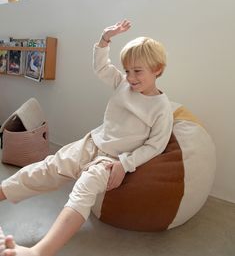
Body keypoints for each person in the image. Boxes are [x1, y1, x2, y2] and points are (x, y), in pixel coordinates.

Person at [0, 19, 173, 256]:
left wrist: (125, 163)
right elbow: (102, 67)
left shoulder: (161, 108)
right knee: (47, 168)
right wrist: (105, 38)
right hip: (91, 143)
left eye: (138, 71)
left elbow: (156, 145)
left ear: (158, 69)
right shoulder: (123, 84)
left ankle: (39, 251)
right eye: (128, 71)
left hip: (111, 162)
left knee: (82, 191)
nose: (131, 77)